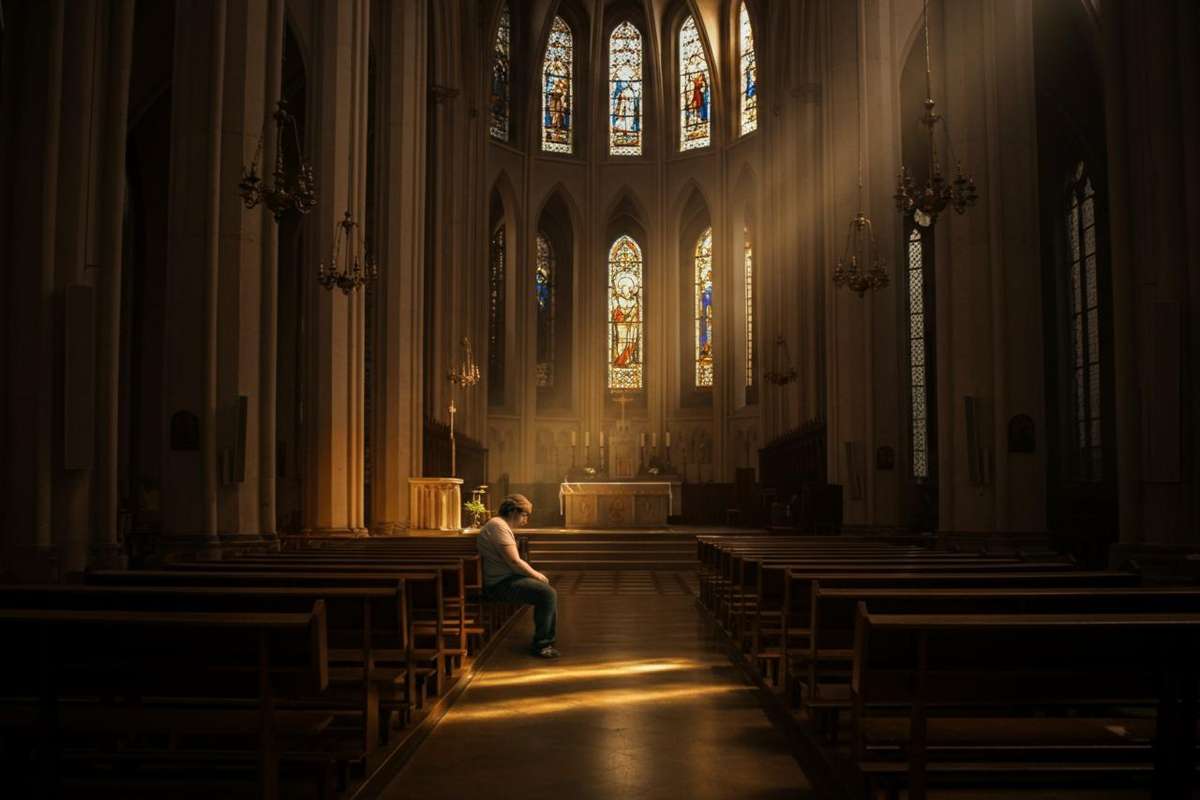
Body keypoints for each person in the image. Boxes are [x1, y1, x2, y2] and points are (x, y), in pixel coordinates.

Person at [477, 494, 560, 658]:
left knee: (547, 592)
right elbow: (514, 561)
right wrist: (537, 575)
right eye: (524, 515)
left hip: (505, 578)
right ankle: (542, 645)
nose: (526, 520)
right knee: (547, 593)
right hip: (499, 584)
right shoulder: (498, 527)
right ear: (512, 511)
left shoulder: (498, 525)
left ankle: (546, 641)